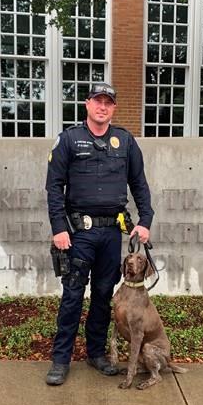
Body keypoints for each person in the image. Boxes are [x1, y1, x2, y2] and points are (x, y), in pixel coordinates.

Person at [45, 82, 154, 386]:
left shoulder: (125, 141)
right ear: (87, 104)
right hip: (78, 234)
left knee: (103, 295)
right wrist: (58, 228)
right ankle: (60, 359)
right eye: (97, 101)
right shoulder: (69, 140)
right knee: (72, 296)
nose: (102, 107)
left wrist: (144, 220)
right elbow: (54, 187)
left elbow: (139, 183)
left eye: (108, 102)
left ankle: (95, 353)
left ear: (113, 108)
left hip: (111, 234)